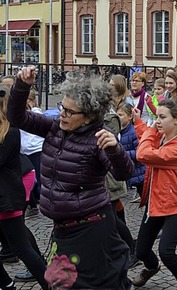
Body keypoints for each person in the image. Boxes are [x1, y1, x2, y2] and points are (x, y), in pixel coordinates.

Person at [8, 66, 134, 289]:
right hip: (63, 228)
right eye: (61, 108)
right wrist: (22, 86)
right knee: (58, 282)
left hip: (91, 229)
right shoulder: (54, 128)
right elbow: (16, 118)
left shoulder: (98, 139)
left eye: (69, 111)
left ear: (89, 116)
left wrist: (115, 150)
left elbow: (124, 173)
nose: (62, 115)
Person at [130, 99, 177, 289]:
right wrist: (139, 122)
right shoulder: (163, 137)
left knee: (167, 252)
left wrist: (151, 130)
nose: (157, 121)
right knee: (141, 251)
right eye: (156, 117)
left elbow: (143, 154)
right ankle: (152, 267)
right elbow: (147, 136)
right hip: (157, 201)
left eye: (162, 117)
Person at [0, 86, 48, 290]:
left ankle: (50, 285)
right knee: (21, 245)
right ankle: (7, 284)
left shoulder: (10, 132)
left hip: (7, 199)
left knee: (22, 248)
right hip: (4, 197)